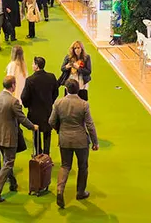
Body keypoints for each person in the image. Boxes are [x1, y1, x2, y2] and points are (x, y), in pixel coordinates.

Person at [0, 76, 38, 202]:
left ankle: (13, 184)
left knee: (6, 161)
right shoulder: (14, 101)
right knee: (8, 163)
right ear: (13, 85)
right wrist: (33, 127)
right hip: (9, 137)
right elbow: (22, 119)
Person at [50, 79, 99, 209]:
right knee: (83, 166)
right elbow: (90, 125)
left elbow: (51, 121)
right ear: (78, 89)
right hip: (81, 141)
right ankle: (81, 192)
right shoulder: (84, 104)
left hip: (64, 139)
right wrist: (95, 142)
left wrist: (59, 130)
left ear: (66, 89)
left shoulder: (58, 102)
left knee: (65, 165)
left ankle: (60, 190)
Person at [21, 56, 59, 156]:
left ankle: (38, 154)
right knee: (47, 133)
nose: (32, 65)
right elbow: (56, 92)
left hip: (35, 112)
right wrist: (50, 101)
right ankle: (47, 155)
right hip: (48, 110)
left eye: (33, 63)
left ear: (37, 66)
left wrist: (28, 105)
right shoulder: (51, 77)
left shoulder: (30, 80)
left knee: (36, 133)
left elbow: (24, 97)